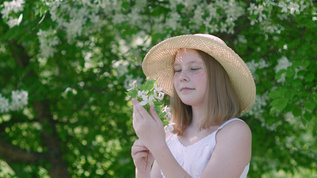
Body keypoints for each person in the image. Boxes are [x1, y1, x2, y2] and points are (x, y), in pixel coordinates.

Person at [131, 34, 256, 178]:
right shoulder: (170, 134)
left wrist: (158, 146)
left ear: (217, 78)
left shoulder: (234, 132)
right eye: (177, 70)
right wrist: (142, 171)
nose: (182, 76)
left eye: (194, 68)